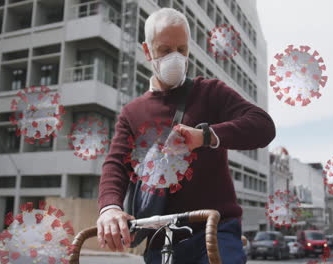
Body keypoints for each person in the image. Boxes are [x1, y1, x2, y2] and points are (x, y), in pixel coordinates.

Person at [96, 7, 275, 264]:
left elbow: (263, 126)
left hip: (214, 230)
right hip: (161, 237)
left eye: (182, 50)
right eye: (165, 51)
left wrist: (206, 136)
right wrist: (110, 208)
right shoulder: (131, 113)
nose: (176, 58)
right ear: (147, 52)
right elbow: (115, 165)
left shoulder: (210, 92)